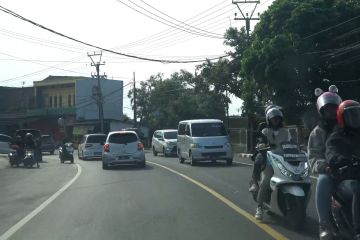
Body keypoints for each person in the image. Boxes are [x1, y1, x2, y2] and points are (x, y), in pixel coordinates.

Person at [307, 86, 342, 239]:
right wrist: (325, 166)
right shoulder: (317, 132)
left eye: (334, 108)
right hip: (330, 170)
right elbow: (313, 156)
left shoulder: (349, 126)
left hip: (350, 167)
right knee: (323, 181)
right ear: (321, 111)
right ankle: (324, 224)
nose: (331, 112)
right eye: (328, 109)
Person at [249, 106, 291, 220]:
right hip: (269, 160)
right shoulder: (265, 131)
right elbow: (260, 143)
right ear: (269, 120)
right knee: (267, 179)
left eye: (277, 118)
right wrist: (263, 146)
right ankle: (260, 207)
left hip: (284, 160)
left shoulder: (286, 132)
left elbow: (291, 144)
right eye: (273, 119)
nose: (276, 121)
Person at [325, 100, 360, 239]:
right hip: (346, 177)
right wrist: (342, 160)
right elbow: (331, 154)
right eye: (351, 115)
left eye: (357, 114)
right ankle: (358, 231)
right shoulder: (336, 137)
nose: (355, 118)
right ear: (341, 118)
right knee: (358, 189)